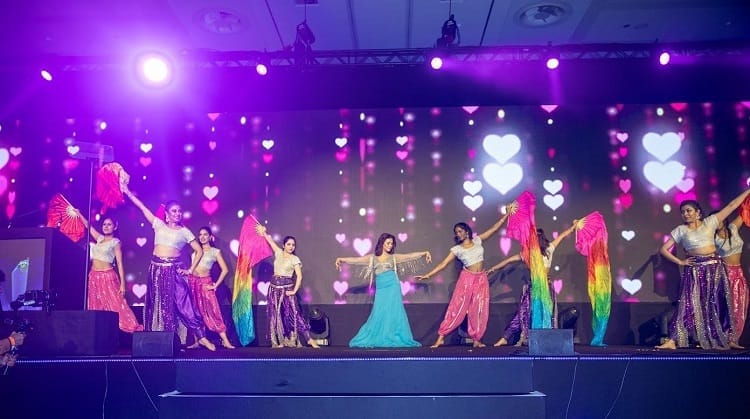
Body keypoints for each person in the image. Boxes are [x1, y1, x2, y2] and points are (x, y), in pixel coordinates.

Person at [122, 185, 216, 351]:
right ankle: (161, 342)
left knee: (183, 304)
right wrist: (128, 192)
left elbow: (199, 250)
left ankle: (201, 337)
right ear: (167, 214)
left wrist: (190, 270)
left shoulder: (185, 231)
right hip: (156, 270)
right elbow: (142, 207)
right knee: (159, 306)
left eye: (179, 211)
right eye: (174, 211)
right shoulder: (158, 224)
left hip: (174, 271)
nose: (177, 213)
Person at [656, 188, 750, 350]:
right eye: (683, 212)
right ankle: (672, 340)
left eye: (689, 211)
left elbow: (732, 205)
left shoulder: (710, 222)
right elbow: (663, 249)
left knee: (718, 304)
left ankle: (725, 339)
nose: (685, 214)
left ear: (698, 213)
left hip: (714, 269)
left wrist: (748, 191)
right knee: (687, 305)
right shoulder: (681, 230)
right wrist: (680, 262)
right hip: (694, 270)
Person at [416, 202, 517, 348]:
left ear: (467, 231)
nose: (458, 234)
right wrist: (428, 275)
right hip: (467, 279)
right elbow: (443, 264)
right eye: (456, 232)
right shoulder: (457, 249)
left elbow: (494, 229)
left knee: (479, 308)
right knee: (457, 307)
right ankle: (441, 337)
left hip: (481, 278)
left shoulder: (477, 240)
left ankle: (476, 340)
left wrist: (507, 214)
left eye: (460, 231)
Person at [488, 223, 578, 346]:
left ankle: (542, 339)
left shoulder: (549, 249)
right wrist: (493, 269)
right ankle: (506, 337)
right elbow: (508, 260)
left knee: (546, 314)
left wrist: (573, 227)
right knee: (523, 313)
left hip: (545, 288)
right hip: (533, 288)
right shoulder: (528, 254)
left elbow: (562, 236)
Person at [335, 233, 431, 348]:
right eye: (388, 243)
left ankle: (394, 336)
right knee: (379, 311)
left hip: (393, 286)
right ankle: (380, 336)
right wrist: (341, 259)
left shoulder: (394, 257)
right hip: (381, 288)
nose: (390, 245)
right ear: (382, 243)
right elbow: (357, 260)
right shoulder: (373, 258)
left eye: (392, 243)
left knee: (394, 311)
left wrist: (424, 253)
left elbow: (409, 256)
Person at [77, 211, 143, 333]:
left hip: (107, 277)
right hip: (94, 276)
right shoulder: (99, 238)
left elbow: (119, 263)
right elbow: (87, 225)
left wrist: (123, 284)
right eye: (104, 224)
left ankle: (132, 326)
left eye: (109, 224)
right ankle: (99, 331)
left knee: (116, 304)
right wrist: (79, 213)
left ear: (115, 227)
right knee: (96, 305)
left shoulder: (115, 242)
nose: (106, 226)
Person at [258, 225, 319, 348]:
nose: (291, 247)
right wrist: (264, 232)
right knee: (276, 315)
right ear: (283, 245)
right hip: (274, 290)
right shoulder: (278, 253)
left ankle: (309, 339)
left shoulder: (294, 259)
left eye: (293, 245)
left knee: (294, 314)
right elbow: (270, 241)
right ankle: (281, 340)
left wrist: (294, 291)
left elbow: (299, 276)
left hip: (287, 290)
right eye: (289, 244)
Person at [187, 227, 235, 349]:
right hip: (193, 283)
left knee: (213, 312)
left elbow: (225, 270)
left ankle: (225, 341)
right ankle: (198, 341)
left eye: (205, 234)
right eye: (200, 234)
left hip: (205, 283)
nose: (202, 237)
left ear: (210, 237)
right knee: (195, 313)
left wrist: (215, 285)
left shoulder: (215, 251)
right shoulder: (196, 251)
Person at [715, 213, 748, 349]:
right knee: (729, 308)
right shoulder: (713, 238)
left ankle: (734, 339)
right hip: (725, 274)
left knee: (741, 306)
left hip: (739, 272)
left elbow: (743, 212)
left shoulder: (733, 229)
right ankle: (724, 340)